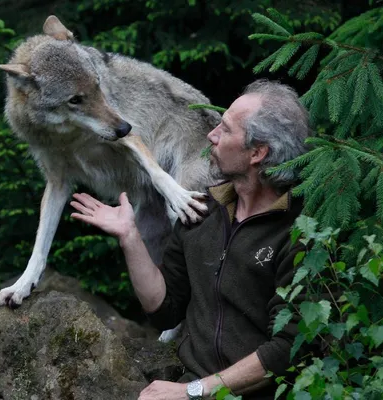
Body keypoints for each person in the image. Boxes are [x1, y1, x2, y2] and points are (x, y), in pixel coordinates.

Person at [70, 79, 313, 400]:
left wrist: (193, 391)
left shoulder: (300, 230)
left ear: (257, 152)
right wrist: (129, 237)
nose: (211, 134)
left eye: (225, 130)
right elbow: (165, 310)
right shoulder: (201, 208)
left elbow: (288, 348)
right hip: (191, 384)